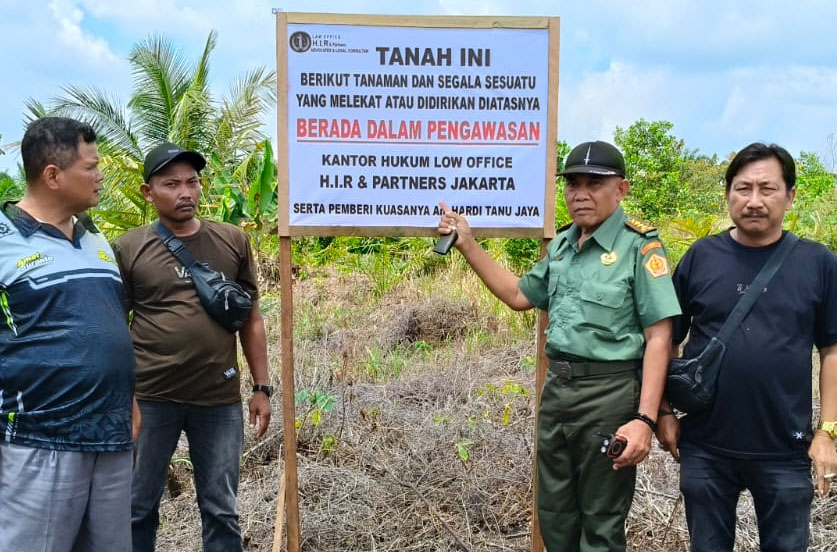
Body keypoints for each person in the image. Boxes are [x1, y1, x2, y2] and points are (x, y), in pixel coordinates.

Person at [438, 140, 681, 552]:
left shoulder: (640, 248)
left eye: (593, 184)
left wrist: (645, 418)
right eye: (572, 185)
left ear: (620, 189)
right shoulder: (564, 246)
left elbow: (661, 337)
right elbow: (519, 296)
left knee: (601, 523)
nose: (580, 195)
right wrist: (467, 243)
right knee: (555, 515)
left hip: (609, 395)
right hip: (558, 393)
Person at [659, 142, 837, 551]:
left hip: (786, 449)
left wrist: (826, 432)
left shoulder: (817, 263)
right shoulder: (702, 257)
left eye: (767, 189)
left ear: (790, 196)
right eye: (743, 188)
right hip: (705, 447)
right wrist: (663, 412)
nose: (754, 200)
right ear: (727, 194)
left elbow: (831, 350)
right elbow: (664, 339)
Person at [112, 142, 272, 552]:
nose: (186, 192)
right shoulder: (128, 249)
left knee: (221, 508)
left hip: (216, 400)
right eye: (171, 184)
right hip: (150, 398)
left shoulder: (232, 240)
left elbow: (250, 318)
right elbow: (115, 325)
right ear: (149, 192)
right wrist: (121, 395)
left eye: (192, 182)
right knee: (136, 506)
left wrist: (261, 387)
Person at [0, 116, 137, 550]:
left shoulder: (96, 240)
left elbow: (107, 327)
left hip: (112, 435)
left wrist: (128, 398)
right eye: (91, 166)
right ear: (53, 175)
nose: (101, 177)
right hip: (40, 438)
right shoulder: (5, 240)